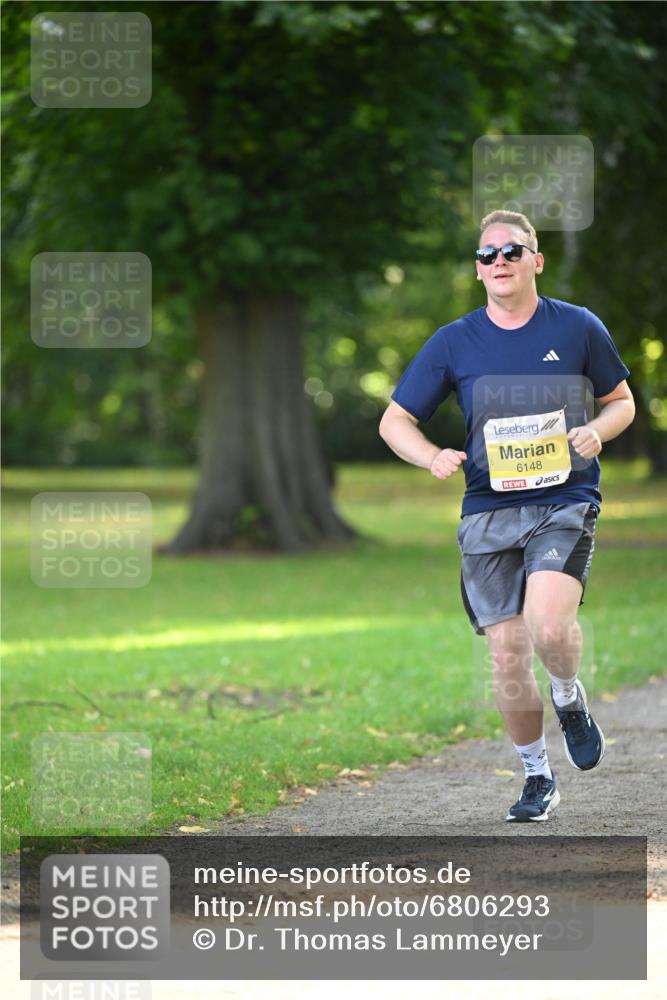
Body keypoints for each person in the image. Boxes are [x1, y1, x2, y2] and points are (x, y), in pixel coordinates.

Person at [379, 210, 635, 822]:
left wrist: (598, 432)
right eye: (487, 254)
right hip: (488, 510)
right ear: (477, 268)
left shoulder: (577, 328)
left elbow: (621, 402)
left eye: (512, 251)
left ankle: (569, 697)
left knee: (549, 626)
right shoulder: (453, 341)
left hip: (564, 500)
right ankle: (537, 777)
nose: (499, 262)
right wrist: (432, 455)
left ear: (535, 260)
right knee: (507, 654)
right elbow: (394, 421)